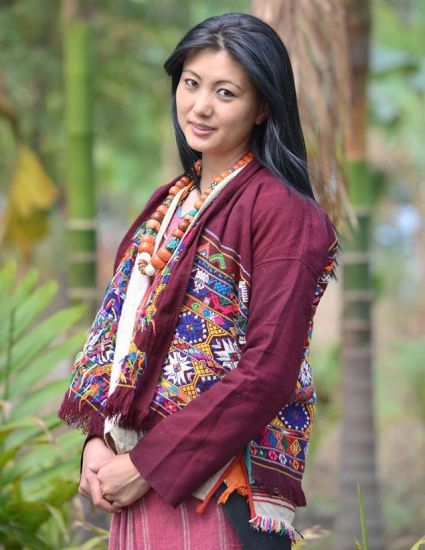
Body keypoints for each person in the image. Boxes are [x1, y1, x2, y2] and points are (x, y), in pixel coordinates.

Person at [59, 12, 338, 550]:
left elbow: (268, 372)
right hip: (135, 482)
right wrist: (97, 442)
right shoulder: (169, 203)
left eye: (226, 92)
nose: (200, 106)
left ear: (262, 107)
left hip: (217, 492)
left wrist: (149, 464)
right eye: (191, 84)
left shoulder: (283, 213)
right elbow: (122, 337)